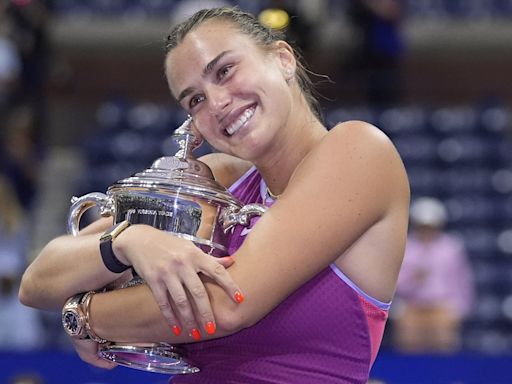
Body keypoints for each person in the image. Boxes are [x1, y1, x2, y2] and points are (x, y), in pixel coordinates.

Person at [19, 7, 410, 383]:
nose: (218, 103)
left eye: (225, 71)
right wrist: (127, 241)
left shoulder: (359, 151)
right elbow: (38, 280)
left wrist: (84, 314)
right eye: (195, 100)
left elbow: (227, 304)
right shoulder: (219, 180)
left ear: (282, 58)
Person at [393, 197, 474, 353]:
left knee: (444, 343)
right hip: (411, 305)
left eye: (431, 226)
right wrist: (412, 280)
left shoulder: (451, 248)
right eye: (423, 226)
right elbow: (395, 284)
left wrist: (460, 309)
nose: (427, 231)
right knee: (408, 341)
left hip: (442, 305)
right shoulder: (405, 247)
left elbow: (462, 280)